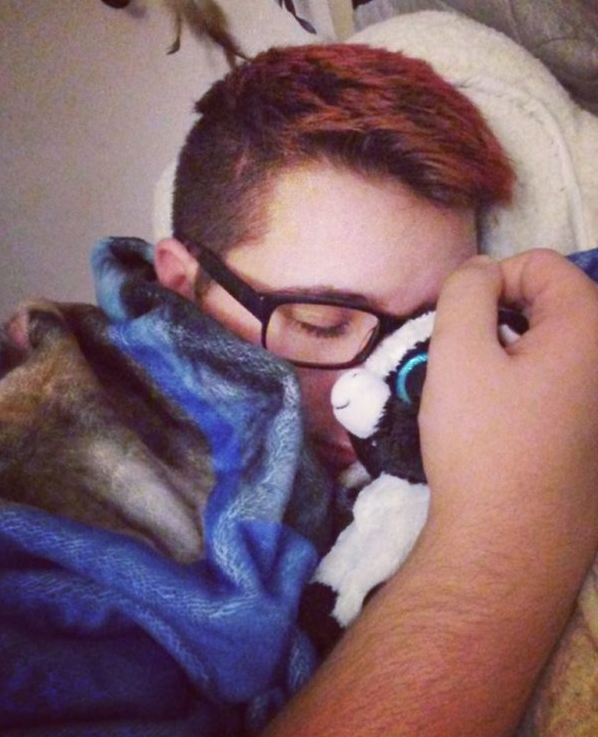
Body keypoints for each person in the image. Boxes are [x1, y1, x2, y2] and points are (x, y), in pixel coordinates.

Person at [153, 44, 598, 735]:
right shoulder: (57, 469)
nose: (368, 384)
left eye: (430, 324)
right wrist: (509, 535)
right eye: (321, 324)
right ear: (182, 284)